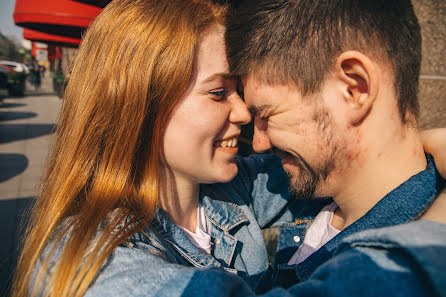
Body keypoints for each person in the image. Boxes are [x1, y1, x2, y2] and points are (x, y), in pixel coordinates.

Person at [12, 0, 446, 297]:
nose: (244, 117)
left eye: (253, 102)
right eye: (220, 93)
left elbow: (357, 160)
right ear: (139, 105)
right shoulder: (82, 255)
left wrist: (425, 142)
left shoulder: (226, 195)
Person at [225, 0, 446, 289]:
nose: (258, 143)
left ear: (354, 88)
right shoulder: (315, 197)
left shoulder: (394, 276)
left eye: (266, 115)